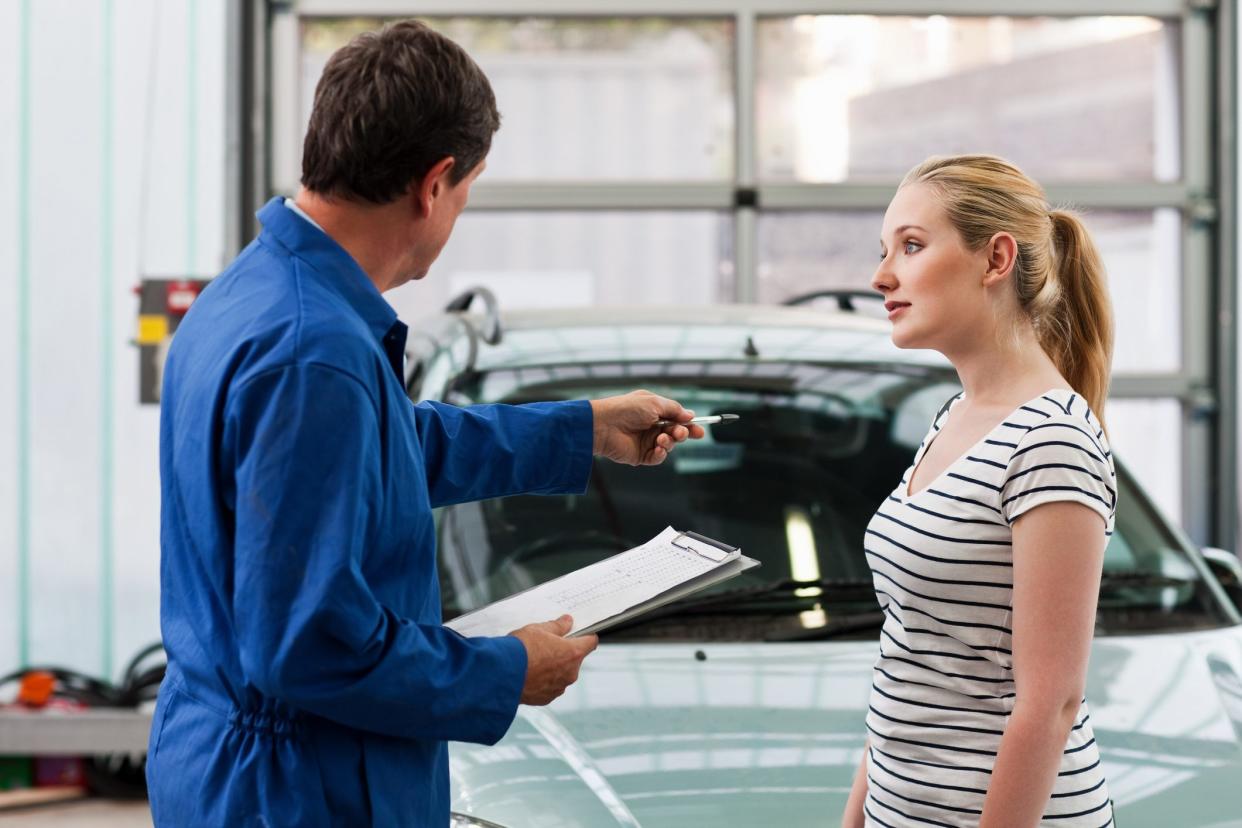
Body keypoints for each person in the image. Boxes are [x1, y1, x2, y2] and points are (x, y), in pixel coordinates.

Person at [145, 19, 703, 827]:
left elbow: (381, 452)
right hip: (301, 788)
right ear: (434, 182)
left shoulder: (259, 294)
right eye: (469, 190)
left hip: (239, 761)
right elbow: (309, 642)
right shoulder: (315, 353)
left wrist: (580, 428)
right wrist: (502, 674)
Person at [842, 155, 1116, 828]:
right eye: (886, 251)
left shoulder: (1052, 440)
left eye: (910, 246)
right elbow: (910, 661)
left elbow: (1050, 704)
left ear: (996, 258)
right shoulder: (954, 417)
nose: (881, 277)